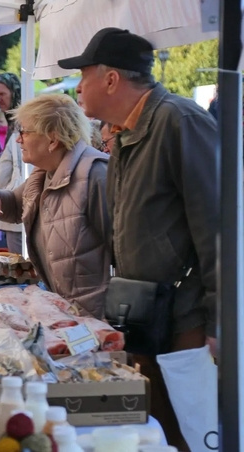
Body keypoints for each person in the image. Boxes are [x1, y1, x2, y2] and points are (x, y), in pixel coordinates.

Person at [58, 27, 218, 449]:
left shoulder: (179, 121)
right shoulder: (125, 132)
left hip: (186, 317)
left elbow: (219, 227)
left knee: (195, 432)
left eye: (84, 75)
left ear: (111, 80)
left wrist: (221, 320)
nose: (78, 86)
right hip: (145, 310)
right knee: (159, 427)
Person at [0, 94, 111, 318]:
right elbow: (15, 205)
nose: (19, 140)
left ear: (53, 139)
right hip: (60, 307)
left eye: (25, 132)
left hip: (94, 314)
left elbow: (124, 252)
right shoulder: (43, 173)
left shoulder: (95, 174)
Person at [0, 73, 25, 254]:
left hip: (17, 202)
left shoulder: (22, 123)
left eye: (2, 94)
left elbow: (6, 169)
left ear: (14, 92)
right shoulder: (13, 121)